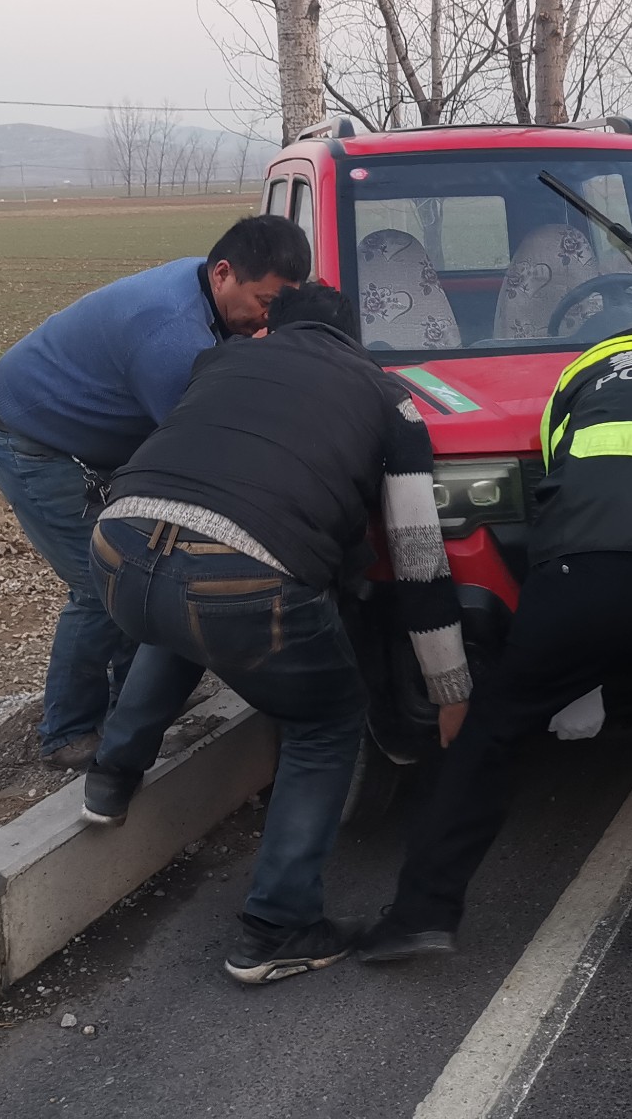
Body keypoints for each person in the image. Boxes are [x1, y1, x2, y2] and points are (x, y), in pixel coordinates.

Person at [359, 257, 632, 966]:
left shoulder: (589, 366)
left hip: (581, 575)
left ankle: (421, 913)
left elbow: (553, 479)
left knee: (494, 730)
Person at [81, 280, 470, 985]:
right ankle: (277, 928)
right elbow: (418, 557)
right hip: (244, 577)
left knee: (179, 614)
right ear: (355, 340)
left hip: (117, 547)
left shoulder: (219, 362)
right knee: (326, 720)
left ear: (269, 330)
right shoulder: (390, 400)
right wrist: (449, 688)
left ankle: (110, 778)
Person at [0, 215, 311, 769]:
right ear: (223, 273)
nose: (268, 319)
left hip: (99, 439)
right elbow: (198, 453)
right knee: (103, 585)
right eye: (264, 302)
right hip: (34, 442)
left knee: (139, 572)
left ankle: (127, 711)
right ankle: (67, 734)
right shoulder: (171, 335)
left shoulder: (209, 294)